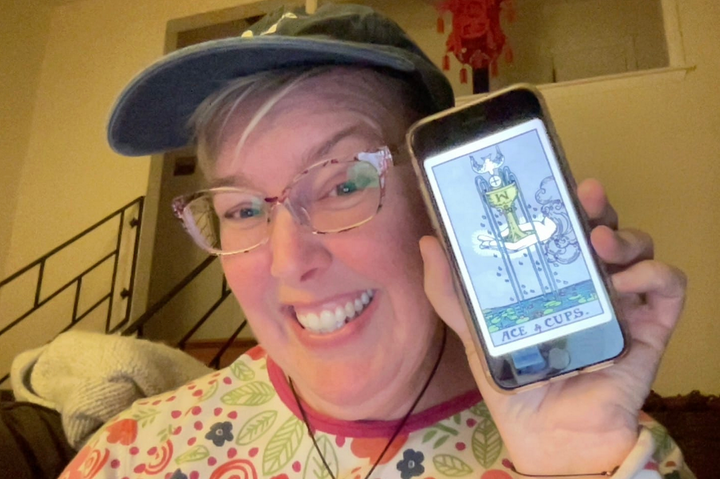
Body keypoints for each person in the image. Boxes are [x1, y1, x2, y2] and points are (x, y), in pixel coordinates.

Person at [61, 4, 691, 479]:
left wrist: (567, 461)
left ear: (441, 205)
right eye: (245, 208)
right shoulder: (128, 455)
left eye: (343, 185)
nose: (288, 262)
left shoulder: (618, 454)